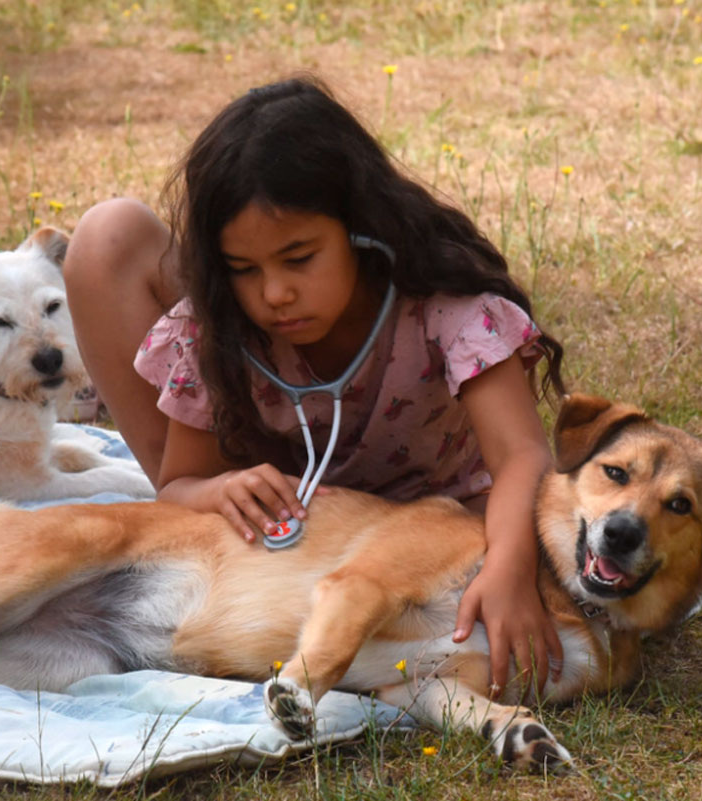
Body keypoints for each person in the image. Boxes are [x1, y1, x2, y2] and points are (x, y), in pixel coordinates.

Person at [63, 75, 567, 698]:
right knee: (108, 231)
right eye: (244, 270)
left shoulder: (449, 310)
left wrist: (510, 569)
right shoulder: (222, 328)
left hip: (435, 536)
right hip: (284, 535)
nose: (274, 294)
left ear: (362, 230)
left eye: (299, 258)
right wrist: (219, 488)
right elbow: (177, 486)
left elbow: (522, 455)